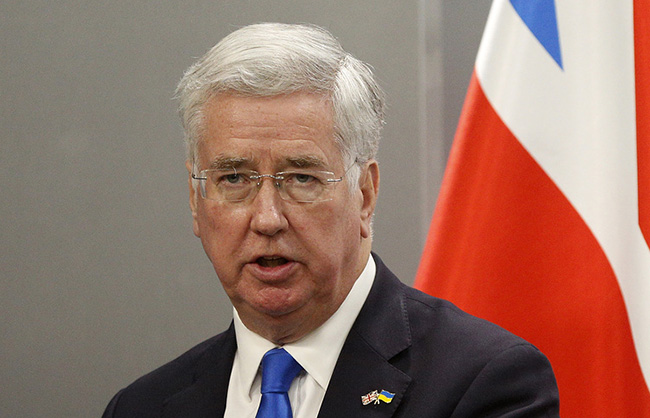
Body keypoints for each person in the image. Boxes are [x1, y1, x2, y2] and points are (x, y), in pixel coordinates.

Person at [102, 23, 560, 417]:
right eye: (234, 178)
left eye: (301, 178)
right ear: (195, 199)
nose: (267, 219)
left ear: (365, 194)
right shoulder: (142, 407)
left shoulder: (484, 383)